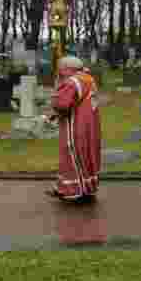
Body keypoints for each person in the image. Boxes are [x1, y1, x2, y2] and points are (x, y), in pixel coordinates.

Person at [46, 55, 101, 203]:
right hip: (90, 125)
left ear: (68, 69)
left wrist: (54, 101)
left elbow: (62, 105)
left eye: (60, 69)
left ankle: (73, 191)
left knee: (72, 156)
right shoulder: (88, 78)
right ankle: (86, 189)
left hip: (76, 125)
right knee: (87, 156)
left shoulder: (72, 82)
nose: (59, 72)